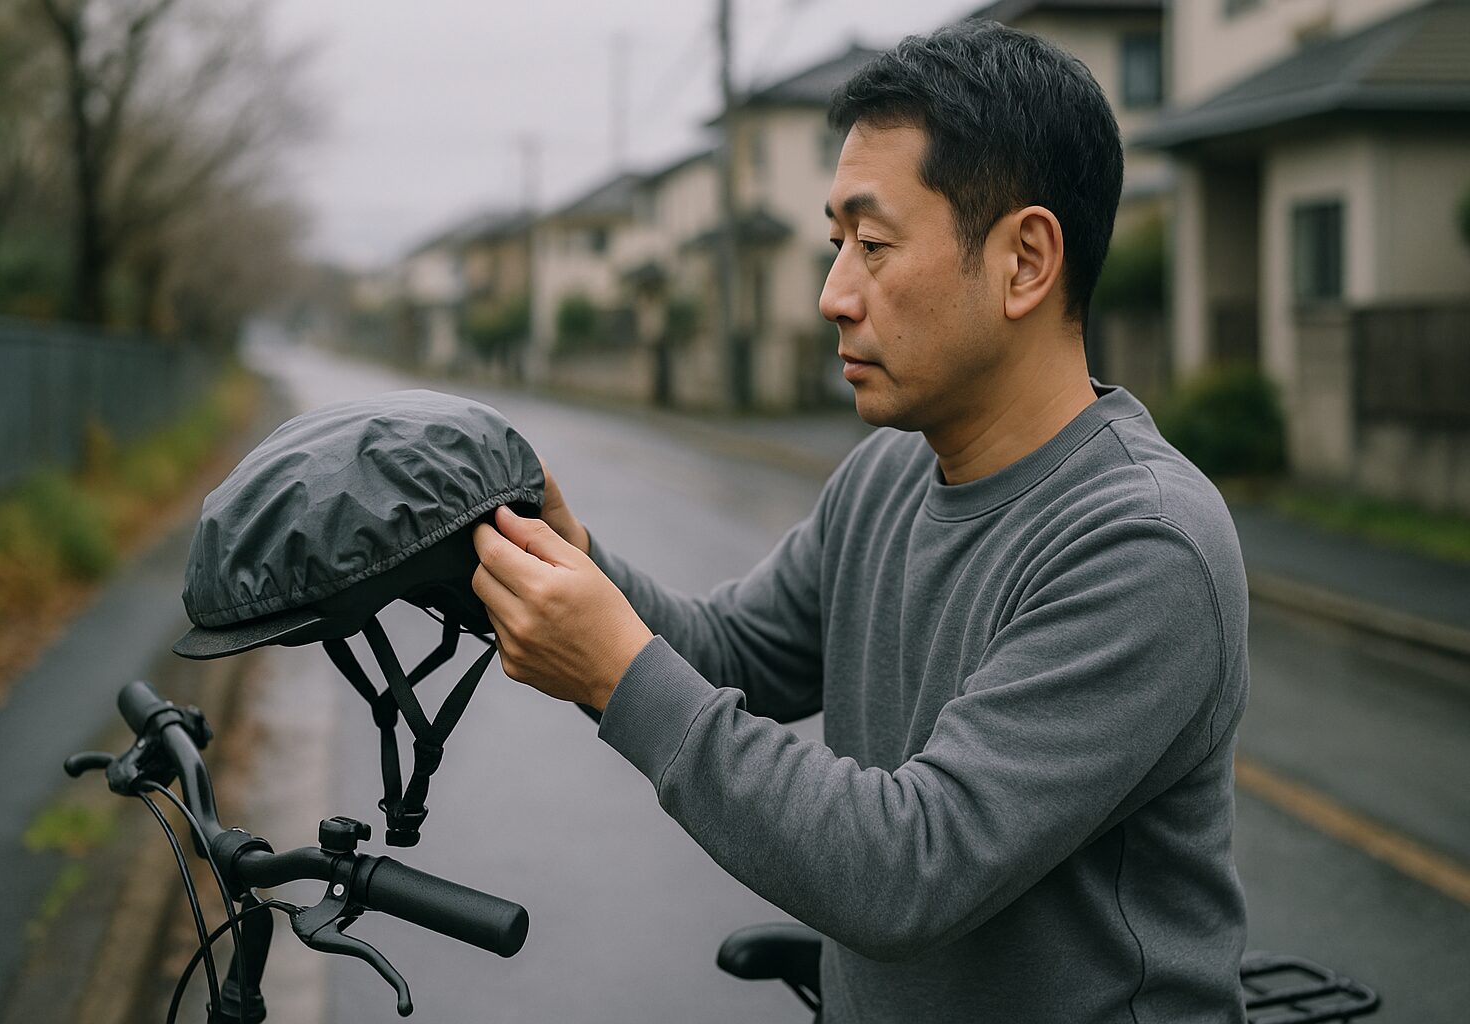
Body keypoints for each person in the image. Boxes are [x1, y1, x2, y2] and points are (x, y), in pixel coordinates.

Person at [471, 20, 1249, 1024]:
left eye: (873, 246)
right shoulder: (887, 472)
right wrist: (560, 556)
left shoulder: (1143, 542)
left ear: (1025, 261)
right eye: (836, 244)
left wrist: (617, 670)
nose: (834, 294)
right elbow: (731, 651)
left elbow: (910, 864)